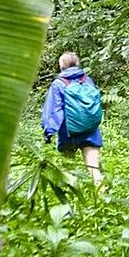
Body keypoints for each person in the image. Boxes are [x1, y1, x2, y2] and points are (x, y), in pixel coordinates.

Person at [42, 52, 104, 186]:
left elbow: (53, 111)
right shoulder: (87, 80)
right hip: (90, 133)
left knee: (68, 172)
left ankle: (72, 200)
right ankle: (103, 200)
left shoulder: (58, 84)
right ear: (77, 64)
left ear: (61, 66)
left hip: (68, 135)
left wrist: (48, 132)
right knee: (94, 170)